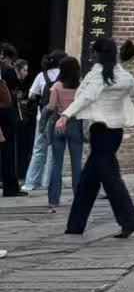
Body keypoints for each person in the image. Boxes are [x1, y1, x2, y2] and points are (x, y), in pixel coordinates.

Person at [57, 35, 134, 238]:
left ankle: (131, 221)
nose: (91, 55)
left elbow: (87, 97)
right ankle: (75, 225)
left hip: (101, 131)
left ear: (97, 53)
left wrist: (66, 114)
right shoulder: (123, 76)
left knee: (110, 179)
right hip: (114, 132)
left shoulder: (98, 76)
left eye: (93, 51)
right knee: (89, 179)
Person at [44, 57, 83, 211]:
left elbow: (51, 106)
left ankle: (53, 199)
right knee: (76, 164)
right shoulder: (80, 88)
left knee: (56, 163)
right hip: (75, 124)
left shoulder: (56, 87)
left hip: (59, 123)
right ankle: (79, 198)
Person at [21, 52, 62, 194]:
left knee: (39, 149)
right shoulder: (66, 75)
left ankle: (31, 182)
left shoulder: (41, 75)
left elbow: (32, 95)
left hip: (43, 116)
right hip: (60, 117)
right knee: (53, 150)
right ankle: (47, 182)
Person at [0, 44, 20, 197]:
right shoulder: (6, 70)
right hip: (6, 115)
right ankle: (10, 187)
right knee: (8, 151)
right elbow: (15, 83)